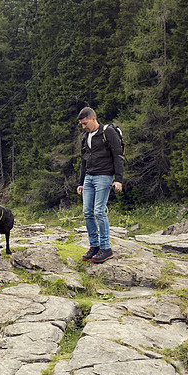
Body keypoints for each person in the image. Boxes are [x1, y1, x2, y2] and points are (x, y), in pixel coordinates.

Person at [76, 107, 124, 263]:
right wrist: (81, 182)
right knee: (87, 212)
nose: (84, 127)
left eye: (85, 123)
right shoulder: (86, 137)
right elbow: (83, 160)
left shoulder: (107, 132)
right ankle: (94, 246)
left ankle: (106, 248)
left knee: (99, 211)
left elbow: (118, 155)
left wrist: (119, 179)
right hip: (89, 178)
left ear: (93, 119)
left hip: (104, 176)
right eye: (82, 124)